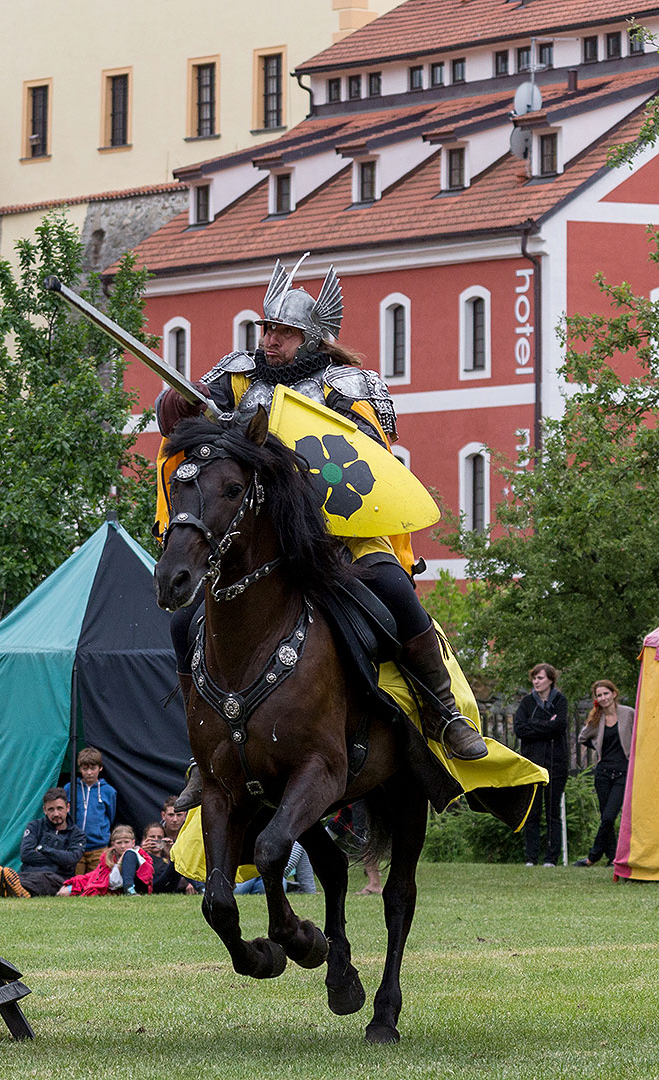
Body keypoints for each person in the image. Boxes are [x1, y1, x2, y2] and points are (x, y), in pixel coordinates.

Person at [159, 257, 489, 813]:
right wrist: (184, 403)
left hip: (337, 531)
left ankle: (441, 710)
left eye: (283, 333)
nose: (270, 341)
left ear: (313, 337)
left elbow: (368, 448)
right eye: (267, 329)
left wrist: (280, 435)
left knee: (394, 591)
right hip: (260, 535)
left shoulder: (350, 383)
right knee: (182, 622)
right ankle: (204, 747)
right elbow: (182, 424)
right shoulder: (235, 374)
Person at [574, 678, 634, 867]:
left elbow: (639, 735)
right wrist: (597, 747)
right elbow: (582, 737)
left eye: (606, 693)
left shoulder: (628, 713)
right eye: (599, 695)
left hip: (623, 772)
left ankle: (593, 857)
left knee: (609, 816)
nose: (603, 698)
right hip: (603, 773)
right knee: (605, 817)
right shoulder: (596, 718)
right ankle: (613, 857)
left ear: (614, 694)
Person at [514, 663, 569, 866]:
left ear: (550, 680)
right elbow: (520, 729)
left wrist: (534, 725)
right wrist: (546, 726)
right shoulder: (527, 703)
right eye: (534, 678)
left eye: (540, 678)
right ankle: (531, 857)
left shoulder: (560, 701)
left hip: (556, 764)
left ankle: (551, 858)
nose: (536, 682)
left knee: (553, 812)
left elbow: (560, 726)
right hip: (532, 765)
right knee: (533, 811)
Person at [0, 789, 83, 897]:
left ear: (68, 807)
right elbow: (26, 855)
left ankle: (11, 889)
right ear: (44, 810)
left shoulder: (77, 834)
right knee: (21, 877)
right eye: (51, 809)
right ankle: (8, 888)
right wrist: (59, 857)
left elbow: (71, 859)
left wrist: (43, 849)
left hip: (57, 877)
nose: (56, 813)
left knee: (43, 879)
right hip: (29, 873)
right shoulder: (35, 826)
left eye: (59, 808)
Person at [66, 748, 118, 875]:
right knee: (76, 881)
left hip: (99, 847)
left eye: (93, 768)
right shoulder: (70, 788)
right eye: (85, 768)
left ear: (100, 768)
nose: (89, 772)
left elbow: (110, 815)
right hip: (75, 846)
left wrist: (101, 832)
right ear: (79, 769)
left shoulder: (108, 791)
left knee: (96, 881)